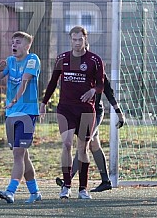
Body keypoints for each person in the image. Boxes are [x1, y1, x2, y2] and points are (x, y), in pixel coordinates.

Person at [40, 26, 104, 199]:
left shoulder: (94, 60)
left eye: (80, 39)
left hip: (86, 110)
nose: (77, 43)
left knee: (82, 148)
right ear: (70, 40)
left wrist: (93, 91)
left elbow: (100, 85)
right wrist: (44, 103)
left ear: (85, 39)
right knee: (67, 144)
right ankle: (66, 186)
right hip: (66, 109)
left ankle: (83, 189)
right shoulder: (62, 59)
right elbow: (53, 82)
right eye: (74, 39)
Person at [0, 31, 42, 204]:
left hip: (27, 113)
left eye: (19, 42)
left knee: (18, 153)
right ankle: (35, 191)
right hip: (11, 114)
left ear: (27, 45)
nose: (14, 45)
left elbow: (25, 81)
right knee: (23, 155)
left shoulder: (32, 59)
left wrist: (15, 99)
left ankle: (11, 191)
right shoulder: (10, 61)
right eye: (13, 42)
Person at [56, 74, 125, 192]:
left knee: (83, 145)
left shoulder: (100, 74)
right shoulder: (76, 74)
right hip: (79, 113)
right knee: (94, 145)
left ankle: (68, 179)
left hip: (95, 113)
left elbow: (109, 94)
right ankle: (106, 181)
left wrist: (119, 113)